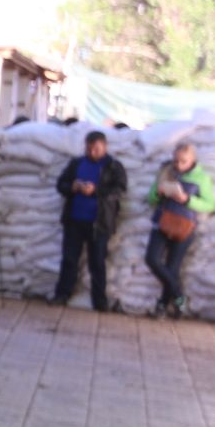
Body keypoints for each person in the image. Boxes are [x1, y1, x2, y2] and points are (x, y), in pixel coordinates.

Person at [49, 130, 127, 312]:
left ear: (105, 147)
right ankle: (62, 294)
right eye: (89, 149)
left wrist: (96, 191)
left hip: (99, 223)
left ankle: (100, 302)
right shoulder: (76, 164)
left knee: (97, 262)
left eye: (97, 149)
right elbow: (61, 184)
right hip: (74, 220)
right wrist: (73, 187)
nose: (92, 153)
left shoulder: (113, 166)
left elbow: (120, 190)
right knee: (69, 259)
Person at [145, 139, 215, 318]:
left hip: (184, 226)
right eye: (176, 160)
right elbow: (151, 198)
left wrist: (188, 200)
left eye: (183, 161)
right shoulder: (166, 172)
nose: (178, 164)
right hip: (162, 222)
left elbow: (210, 205)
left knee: (173, 267)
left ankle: (162, 305)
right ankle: (179, 296)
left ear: (192, 160)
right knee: (152, 259)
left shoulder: (201, 179)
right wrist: (157, 193)